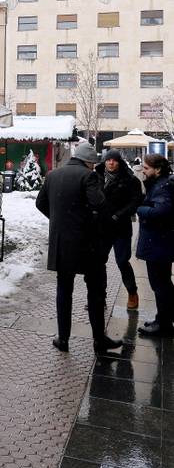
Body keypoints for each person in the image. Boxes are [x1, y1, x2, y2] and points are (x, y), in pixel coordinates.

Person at [36, 141, 123, 354]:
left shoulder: (53, 175)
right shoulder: (88, 176)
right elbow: (98, 204)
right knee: (95, 290)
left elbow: (40, 203)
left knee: (64, 291)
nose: (94, 166)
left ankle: (63, 339)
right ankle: (99, 340)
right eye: (93, 163)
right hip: (87, 243)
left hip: (61, 243)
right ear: (88, 162)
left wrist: (60, 220)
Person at [95, 149, 143, 310]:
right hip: (102, 227)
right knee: (99, 262)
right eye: (108, 160)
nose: (111, 163)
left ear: (119, 162)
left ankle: (132, 292)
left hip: (121, 227)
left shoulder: (130, 179)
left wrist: (118, 215)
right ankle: (99, 297)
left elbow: (135, 202)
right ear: (104, 161)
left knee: (122, 261)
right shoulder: (96, 176)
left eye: (114, 160)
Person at [136, 153, 174, 338]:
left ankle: (164, 324)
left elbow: (161, 212)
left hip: (159, 244)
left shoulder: (162, 187)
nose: (143, 171)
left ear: (157, 169)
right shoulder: (161, 184)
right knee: (162, 283)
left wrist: (140, 208)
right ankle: (163, 319)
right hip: (160, 243)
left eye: (146, 168)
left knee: (160, 285)